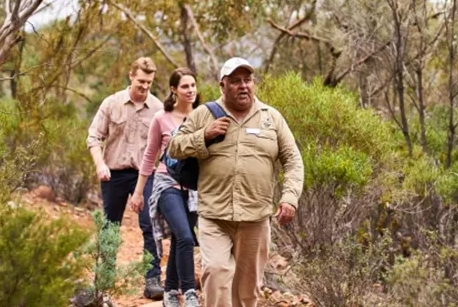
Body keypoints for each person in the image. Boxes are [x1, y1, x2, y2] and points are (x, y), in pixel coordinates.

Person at [168, 57, 304, 307]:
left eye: (247, 80)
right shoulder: (204, 114)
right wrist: (203, 136)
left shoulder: (271, 118)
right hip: (214, 214)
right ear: (223, 85)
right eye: (235, 81)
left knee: (247, 290)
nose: (243, 86)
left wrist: (289, 198)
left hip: (255, 217)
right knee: (216, 273)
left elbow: (293, 159)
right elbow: (173, 147)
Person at [86, 56, 164, 300]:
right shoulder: (112, 103)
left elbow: (166, 143)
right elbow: (93, 137)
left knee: (150, 225)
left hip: (146, 174)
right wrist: (100, 165)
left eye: (149, 82)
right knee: (110, 226)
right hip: (114, 174)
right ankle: (104, 280)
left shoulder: (158, 108)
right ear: (131, 76)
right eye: (141, 81)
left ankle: (152, 280)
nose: (144, 86)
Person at [129, 68, 201, 307]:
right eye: (185, 87)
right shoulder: (161, 118)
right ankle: (189, 292)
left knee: (182, 239)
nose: (190, 91)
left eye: (193, 86)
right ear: (173, 90)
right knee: (185, 237)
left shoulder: (202, 115)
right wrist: (139, 191)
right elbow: (150, 155)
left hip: (193, 189)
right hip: (166, 183)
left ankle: (170, 291)